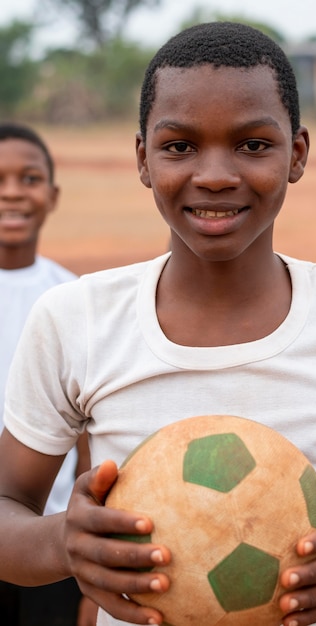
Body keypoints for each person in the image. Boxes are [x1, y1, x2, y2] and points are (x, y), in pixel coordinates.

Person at [0, 22, 316, 626]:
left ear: (297, 154)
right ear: (143, 158)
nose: (216, 174)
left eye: (253, 144)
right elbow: (8, 505)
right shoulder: (76, 318)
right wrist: (59, 544)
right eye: (180, 147)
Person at [0, 122, 98, 626]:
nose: (12, 192)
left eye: (29, 178)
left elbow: (88, 431)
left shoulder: (72, 301)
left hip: (49, 541)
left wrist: (90, 587)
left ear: (53, 195)